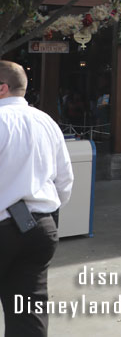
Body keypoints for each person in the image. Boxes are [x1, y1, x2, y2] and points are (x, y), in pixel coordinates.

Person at [0, 61, 73, 337]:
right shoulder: (47, 121)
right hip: (40, 228)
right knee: (27, 311)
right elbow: (64, 180)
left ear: (2, 88)